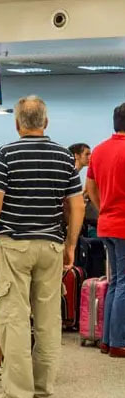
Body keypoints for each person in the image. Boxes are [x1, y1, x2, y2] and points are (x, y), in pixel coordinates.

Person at [0, 96, 84, 398]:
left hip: (16, 245)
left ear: (17, 124)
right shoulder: (65, 157)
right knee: (48, 320)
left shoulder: (6, 154)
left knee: (13, 317)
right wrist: (70, 244)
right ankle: (42, 389)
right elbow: (76, 206)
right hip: (51, 245)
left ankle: (18, 394)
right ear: (46, 123)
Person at [85, 102, 125, 358]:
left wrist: (104, 210)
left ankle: (108, 340)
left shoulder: (98, 150)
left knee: (115, 282)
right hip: (122, 225)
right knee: (124, 284)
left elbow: (90, 187)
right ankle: (120, 343)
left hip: (106, 224)